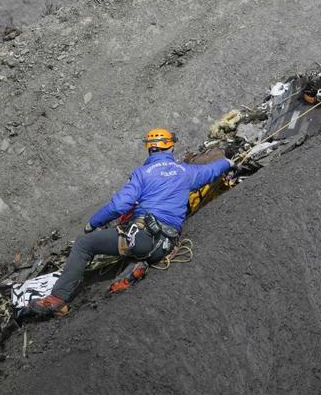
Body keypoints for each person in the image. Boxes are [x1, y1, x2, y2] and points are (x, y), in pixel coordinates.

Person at [29, 127, 234, 316]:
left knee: (84, 245)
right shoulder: (185, 172)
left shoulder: (142, 174)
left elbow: (118, 206)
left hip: (142, 238)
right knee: (136, 244)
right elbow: (211, 171)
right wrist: (229, 162)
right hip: (166, 244)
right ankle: (140, 264)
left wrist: (92, 223)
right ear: (170, 146)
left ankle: (57, 300)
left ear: (149, 149)